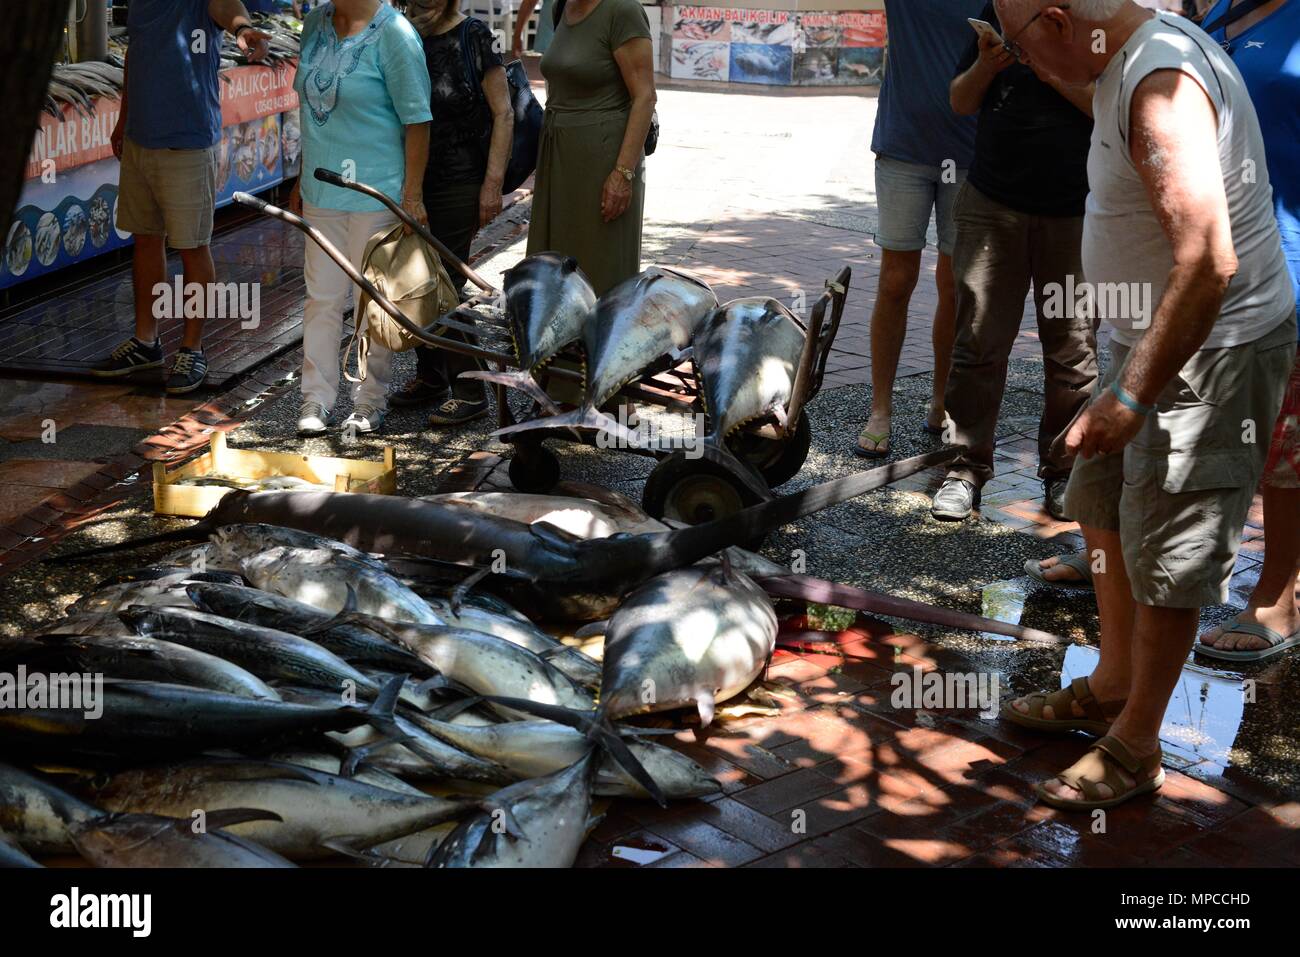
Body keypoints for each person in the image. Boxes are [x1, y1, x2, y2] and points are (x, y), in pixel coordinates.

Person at [996, 0, 1295, 811]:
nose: (1021, 63)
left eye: (1020, 46)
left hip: (1212, 350)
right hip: (1150, 330)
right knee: (1102, 504)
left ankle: (1135, 744)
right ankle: (1112, 680)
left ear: (1058, 20)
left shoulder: (1160, 82)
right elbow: (1097, 108)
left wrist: (1131, 394)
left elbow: (1206, 262)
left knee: (1172, 549)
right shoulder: (1121, 59)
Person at [929, 3, 1098, 521]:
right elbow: (960, 101)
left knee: (1071, 349)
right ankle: (964, 467)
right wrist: (988, 65)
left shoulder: (1099, 19)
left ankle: (1064, 469)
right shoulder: (1002, 11)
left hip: (1074, 209)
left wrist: (1047, 67)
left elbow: (1108, 106)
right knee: (977, 341)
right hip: (991, 203)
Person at [1193, 0, 1300, 660]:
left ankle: (1280, 595)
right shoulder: (1220, 15)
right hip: (1212, 262)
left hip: (1287, 262)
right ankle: (1187, 561)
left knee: (1284, 442)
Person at [98, 1, 270, 395]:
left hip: (188, 142)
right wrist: (125, 119)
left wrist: (243, 28)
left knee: (193, 246)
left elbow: (227, 7)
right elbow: (135, 56)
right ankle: (146, 342)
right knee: (145, 238)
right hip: (141, 138)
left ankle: (192, 347)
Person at [290, 0, 432, 436]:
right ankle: (315, 398)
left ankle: (370, 400)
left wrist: (411, 196)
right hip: (321, 188)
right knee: (322, 299)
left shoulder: (396, 34)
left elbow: (418, 121)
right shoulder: (315, 23)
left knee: (373, 302)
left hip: (376, 190)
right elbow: (310, 114)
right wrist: (300, 176)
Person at [855, 0, 985, 459]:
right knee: (895, 280)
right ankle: (880, 409)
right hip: (904, 148)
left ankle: (940, 401)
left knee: (953, 284)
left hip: (968, 153)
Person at [390, 0, 513, 427]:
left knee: (440, 281)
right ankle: (431, 375)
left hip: (459, 180)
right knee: (411, 278)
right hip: (407, 180)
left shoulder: (472, 35)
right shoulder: (397, 32)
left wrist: (492, 184)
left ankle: (469, 389)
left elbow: (503, 112)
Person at [525, 0, 656, 298]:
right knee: (553, 267)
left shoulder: (622, 11)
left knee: (599, 270)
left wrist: (622, 174)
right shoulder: (561, 7)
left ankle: (597, 341)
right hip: (559, 157)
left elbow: (645, 97)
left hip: (604, 160)